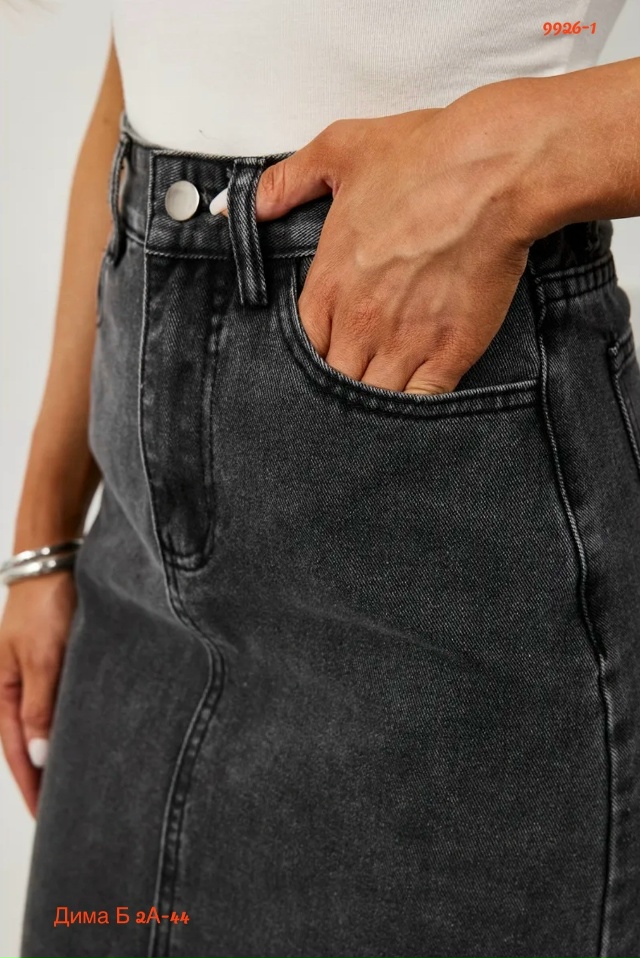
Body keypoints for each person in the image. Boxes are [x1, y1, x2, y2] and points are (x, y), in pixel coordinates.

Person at [1, 1, 639, 955]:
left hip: (434, 497)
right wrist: (44, 536)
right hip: (132, 535)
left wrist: (509, 163)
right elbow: (154, 54)